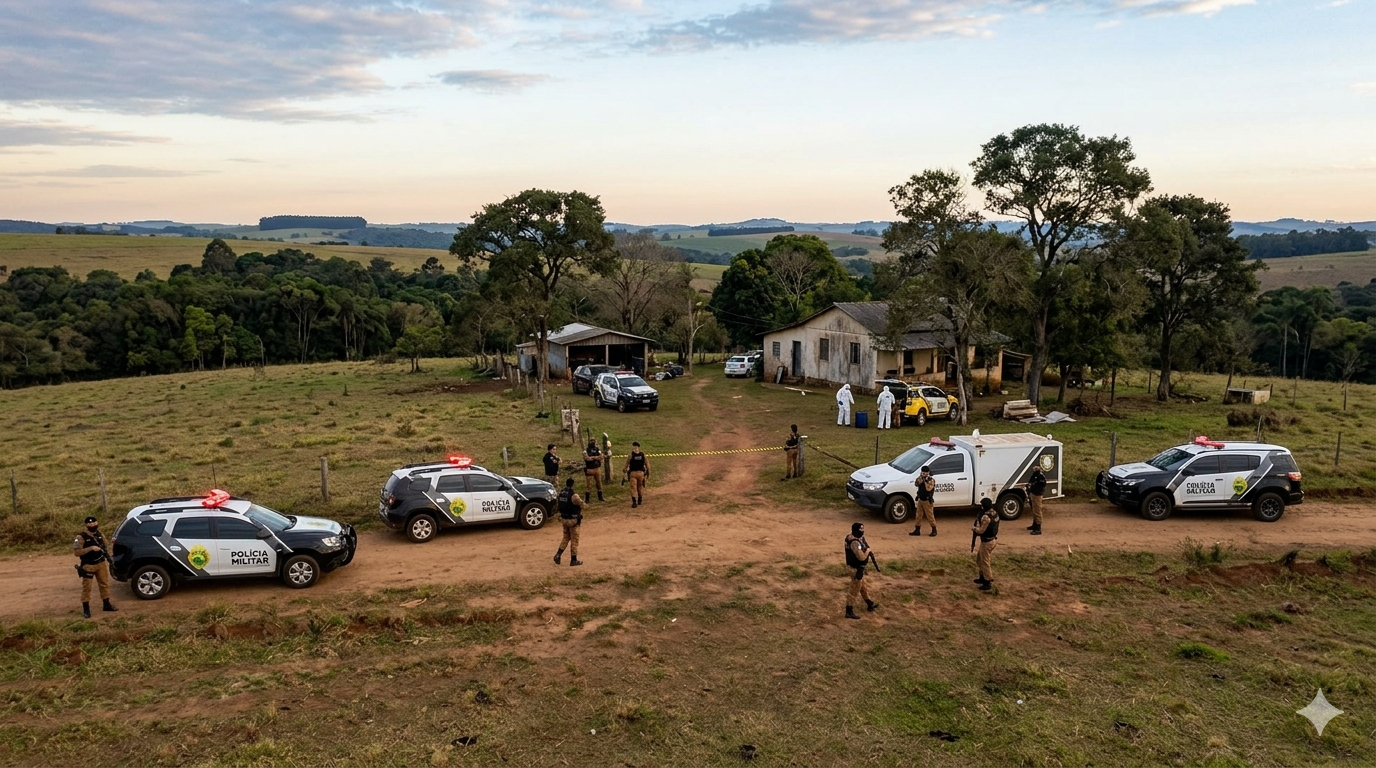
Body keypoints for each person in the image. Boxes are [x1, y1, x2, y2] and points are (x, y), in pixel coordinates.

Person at [73, 515, 117, 618]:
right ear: (86, 525)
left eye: (94, 523)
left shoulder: (100, 534)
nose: (92, 524)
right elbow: (77, 552)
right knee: (87, 587)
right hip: (88, 565)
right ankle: (86, 609)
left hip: (101, 563)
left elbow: (105, 545)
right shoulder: (80, 537)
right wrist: (91, 548)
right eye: (90, 523)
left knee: (104, 584)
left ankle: (106, 604)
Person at [843, 522, 879, 619]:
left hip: (857, 568)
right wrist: (868, 551)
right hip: (854, 569)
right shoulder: (855, 542)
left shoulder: (850, 537)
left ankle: (869, 603)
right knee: (854, 590)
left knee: (863, 586)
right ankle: (849, 610)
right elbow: (861, 557)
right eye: (861, 529)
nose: (863, 531)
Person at [971, 497, 1000, 591]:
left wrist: (974, 529)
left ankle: (987, 581)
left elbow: (981, 531)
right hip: (992, 540)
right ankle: (982, 577)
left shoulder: (986, 517)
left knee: (984, 561)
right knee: (980, 559)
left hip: (987, 542)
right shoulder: (995, 514)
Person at [554, 478, 584, 566]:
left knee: (566, 538)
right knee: (574, 540)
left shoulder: (562, 493)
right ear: (573, 484)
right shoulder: (574, 495)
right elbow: (582, 504)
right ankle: (573, 559)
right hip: (573, 520)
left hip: (564, 519)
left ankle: (558, 555)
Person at [909, 465, 937, 537]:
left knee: (930, 515)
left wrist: (925, 480)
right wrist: (921, 479)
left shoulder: (931, 480)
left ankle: (934, 529)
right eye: (922, 473)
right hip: (921, 499)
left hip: (927, 500)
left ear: (928, 473)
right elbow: (916, 484)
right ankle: (917, 529)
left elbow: (928, 489)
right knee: (918, 515)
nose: (923, 474)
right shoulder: (921, 478)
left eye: (925, 473)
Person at [624, 442, 651, 507]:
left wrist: (624, 470)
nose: (635, 448)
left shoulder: (631, 455)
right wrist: (648, 473)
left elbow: (626, 464)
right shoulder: (642, 455)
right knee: (639, 487)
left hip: (634, 473)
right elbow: (647, 465)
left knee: (634, 487)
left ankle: (634, 502)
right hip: (640, 473)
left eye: (635, 447)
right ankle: (639, 500)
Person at [1027, 466, 1047, 535]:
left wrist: (1035, 486)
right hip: (1033, 493)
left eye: (1036, 468)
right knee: (1034, 510)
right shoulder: (1035, 475)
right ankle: (1035, 524)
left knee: (1037, 510)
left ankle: (1038, 528)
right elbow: (1031, 480)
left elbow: (1042, 484)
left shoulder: (1040, 476)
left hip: (1037, 495)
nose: (1034, 469)